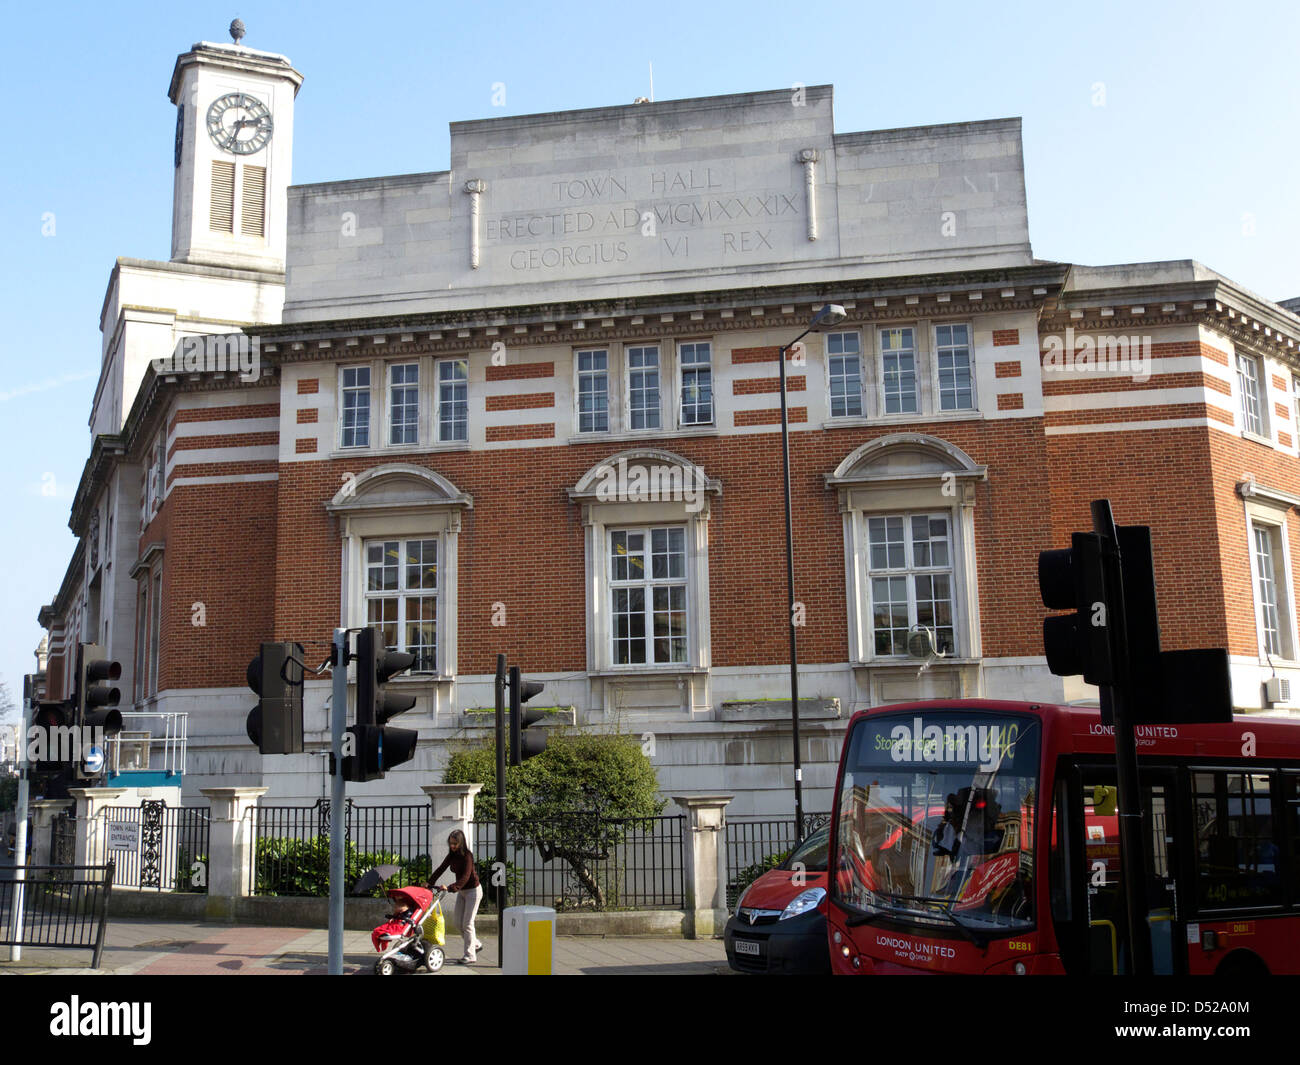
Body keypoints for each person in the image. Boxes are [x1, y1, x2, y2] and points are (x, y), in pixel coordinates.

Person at [428, 829, 483, 964]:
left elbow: (465, 877)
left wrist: (451, 887)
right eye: (451, 843)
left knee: (467, 924)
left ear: (461, 842)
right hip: (462, 891)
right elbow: (441, 868)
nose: (452, 846)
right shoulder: (452, 855)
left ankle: (470, 955)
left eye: (455, 843)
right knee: (458, 923)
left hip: (473, 892)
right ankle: (475, 944)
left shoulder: (467, 856)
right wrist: (429, 883)